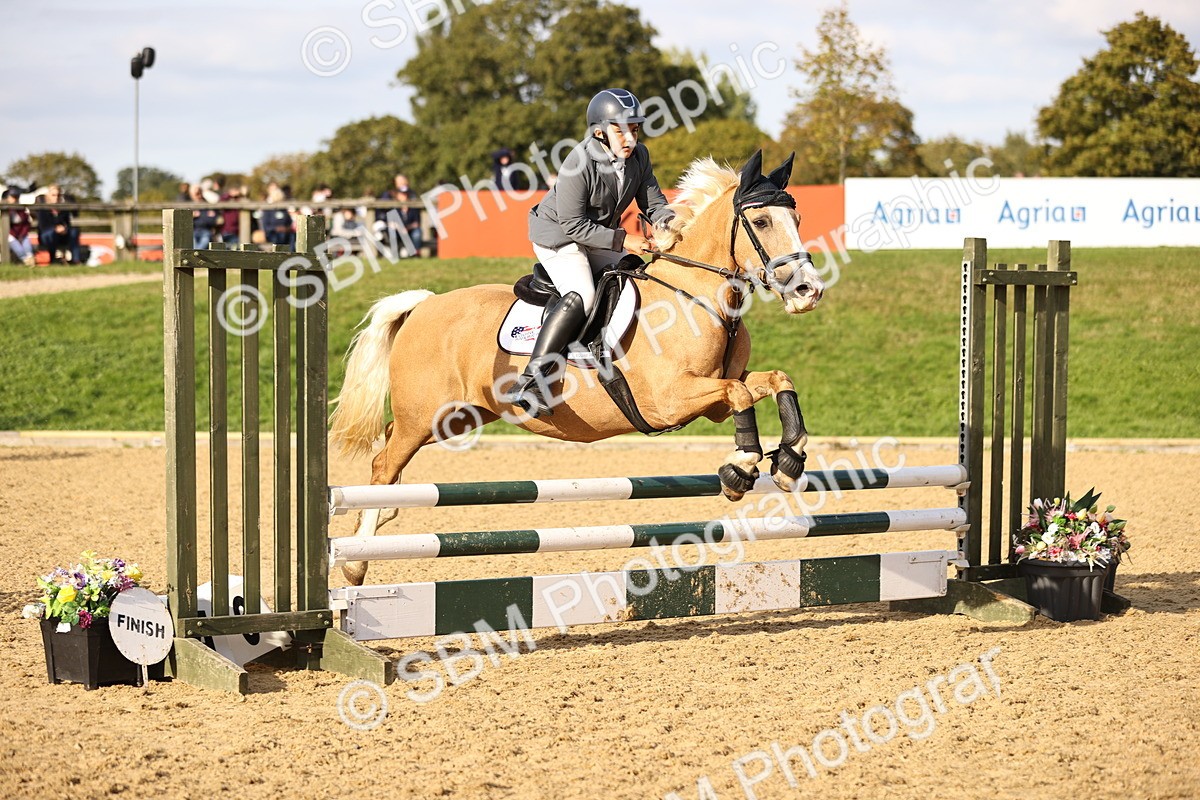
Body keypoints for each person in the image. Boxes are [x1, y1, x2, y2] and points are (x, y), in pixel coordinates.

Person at [504, 88, 675, 417]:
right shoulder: (577, 163)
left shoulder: (639, 157)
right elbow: (572, 225)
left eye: (635, 130)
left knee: (633, 272)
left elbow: (654, 204)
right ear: (599, 131)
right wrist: (624, 240)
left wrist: (671, 225)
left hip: (595, 235)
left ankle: (600, 344)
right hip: (558, 235)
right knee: (582, 292)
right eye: (620, 129)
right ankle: (531, 380)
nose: (629, 138)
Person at [36, 185, 82, 264]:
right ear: (48, 196)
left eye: (58, 195)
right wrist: (55, 228)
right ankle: (53, 258)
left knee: (74, 231)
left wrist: (65, 229)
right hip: (47, 235)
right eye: (53, 195)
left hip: (61, 235)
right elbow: (43, 226)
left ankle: (76, 260)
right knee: (51, 233)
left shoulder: (63, 209)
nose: (56, 197)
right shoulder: (42, 208)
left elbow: (67, 223)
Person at [378, 174, 422, 258]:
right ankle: (395, 253)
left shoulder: (413, 204)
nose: (404, 196)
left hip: (409, 230)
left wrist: (407, 228)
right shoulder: (392, 203)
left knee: (417, 232)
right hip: (397, 230)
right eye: (402, 194)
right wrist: (399, 227)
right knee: (391, 230)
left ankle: (416, 253)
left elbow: (417, 222)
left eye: (405, 194)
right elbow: (389, 220)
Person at [4, 189, 36, 266]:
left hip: (22, 233)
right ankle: (25, 260)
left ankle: (30, 258)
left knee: (26, 243)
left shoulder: (22, 209)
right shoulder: (5, 210)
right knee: (13, 242)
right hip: (11, 234)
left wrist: (22, 235)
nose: (15, 199)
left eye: (16, 197)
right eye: (12, 197)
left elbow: (26, 224)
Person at [189, 184, 220, 249]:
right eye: (196, 193)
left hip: (205, 231)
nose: (199, 195)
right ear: (191, 194)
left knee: (205, 239)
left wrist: (196, 216)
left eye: (200, 192)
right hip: (192, 231)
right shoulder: (188, 205)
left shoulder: (208, 204)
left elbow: (212, 220)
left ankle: (196, 254)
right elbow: (184, 222)